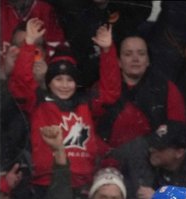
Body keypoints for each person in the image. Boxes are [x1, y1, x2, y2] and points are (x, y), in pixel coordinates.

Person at [8, 21, 119, 190]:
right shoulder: (38, 101)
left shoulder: (86, 102)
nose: (64, 85)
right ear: (49, 82)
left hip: (82, 184)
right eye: (58, 79)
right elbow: (20, 84)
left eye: (70, 80)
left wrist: (107, 51)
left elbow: (110, 92)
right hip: (46, 184)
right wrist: (29, 44)